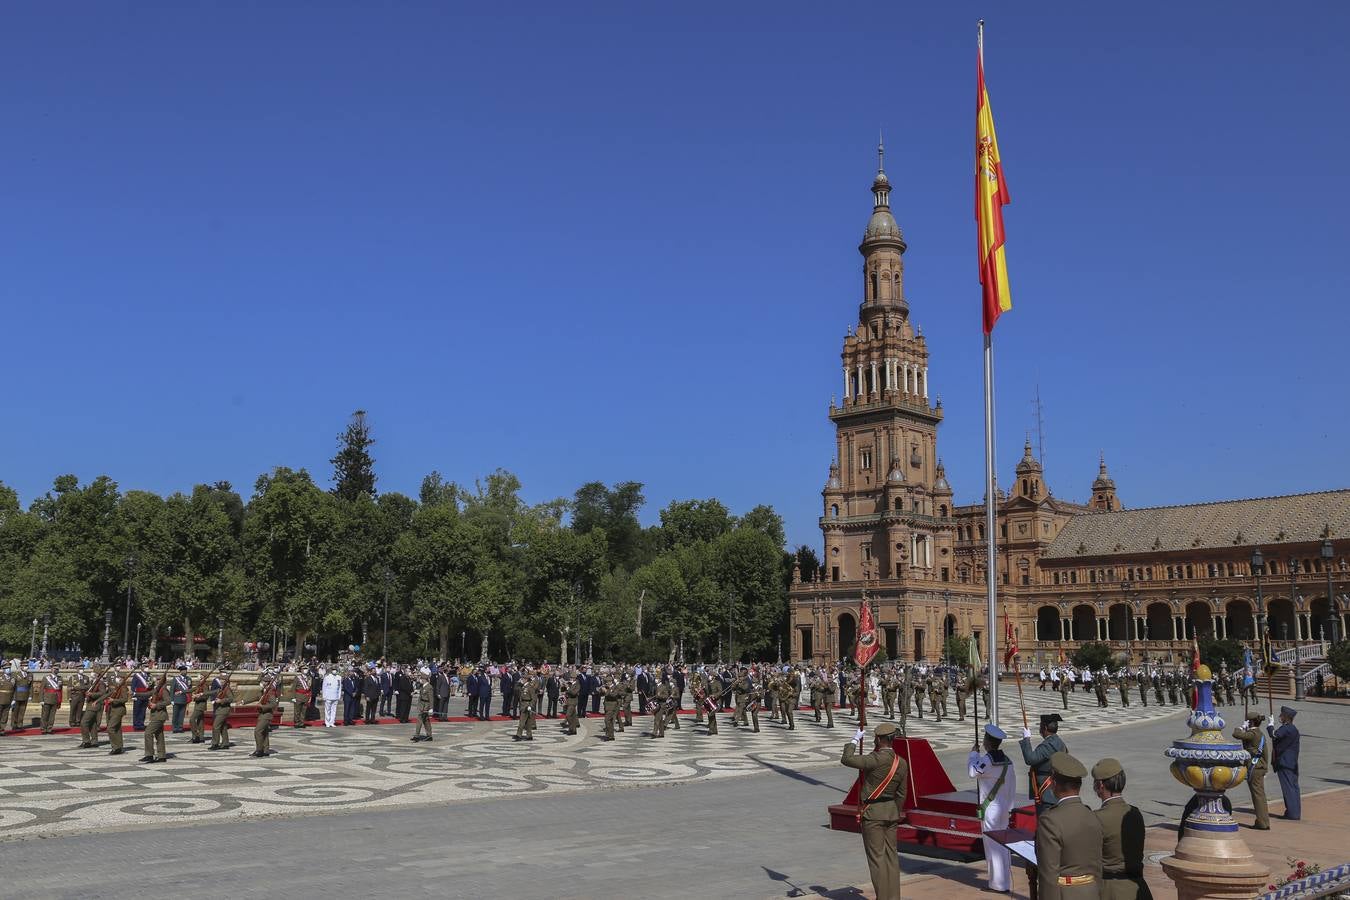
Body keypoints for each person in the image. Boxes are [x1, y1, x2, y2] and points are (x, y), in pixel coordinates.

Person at [841, 722, 907, 900]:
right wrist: (895, 811)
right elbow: (902, 793)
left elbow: (847, 759)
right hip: (891, 813)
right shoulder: (901, 762)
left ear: (878, 739)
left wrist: (855, 739)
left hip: (873, 814)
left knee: (877, 859)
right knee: (891, 857)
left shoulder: (875, 759)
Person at [1035, 752, 1103, 900]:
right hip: (1092, 892)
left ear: (1053, 783)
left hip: (1065, 894)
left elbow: (1048, 875)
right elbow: (1097, 866)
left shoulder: (1050, 820)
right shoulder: (1092, 816)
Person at [1092, 758, 1152, 900]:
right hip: (1138, 887)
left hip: (1110, 890)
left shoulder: (1097, 818)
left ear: (1100, 785)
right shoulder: (1135, 813)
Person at [969, 723, 1017, 893]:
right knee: (1003, 844)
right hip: (1004, 808)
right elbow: (1012, 786)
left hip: (991, 809)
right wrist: (1010, 807)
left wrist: (974, 754)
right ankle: (1002, 880)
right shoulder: (1007, 761)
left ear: (987, 742)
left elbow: (973, 771)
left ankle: (998, 884)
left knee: (993, 845)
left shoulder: (988, 760)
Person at [1020, 713, 1067, 813]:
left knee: (1045, 824)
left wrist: (1026, 739)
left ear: (1044, 728)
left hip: (1047, 793)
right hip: (1053, 790)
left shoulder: (1049, 745)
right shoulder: (1059, 742)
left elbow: (1030, 759)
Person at [1232, 712, 1271, 830]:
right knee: (1260, 796)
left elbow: (1236, 734)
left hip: (1254, 768)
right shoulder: (1260, 733)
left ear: (1251, 722)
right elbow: (1265, 752)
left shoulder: (1253, 734)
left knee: (1258, 796)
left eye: (1248, 722)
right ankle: (1263, 821)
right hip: (1259, 767)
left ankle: (1262, 823)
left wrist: (1240, 727)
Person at [1268, 705, 1301, 820]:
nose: (1280, 717)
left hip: (1285, 762)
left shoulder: (1286, 728)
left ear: (1286, 717)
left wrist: (1270, 726)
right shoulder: (1293, 728)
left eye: (1282, 715)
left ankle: (1292, 813)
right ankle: (1294, 812)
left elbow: (1274, 735)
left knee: (1288, 788)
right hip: (1292, 763)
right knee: (1294, 788)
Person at [39, 664, 63, 733]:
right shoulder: (46, 678)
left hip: (55, 699)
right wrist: (41, 700)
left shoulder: (60, 678)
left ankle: (49, 728)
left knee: (52, 716)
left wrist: (59, 701)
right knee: (45, 715)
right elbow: (41, 689)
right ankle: (43, 728)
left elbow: (60, 691)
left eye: (57, 669)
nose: (56, 670)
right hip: (47, 699)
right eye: (54, 668)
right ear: (51, 669)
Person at [412, 669, 434, 742]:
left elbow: (431, 698)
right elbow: (421, 697)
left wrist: (431, 708)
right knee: (426, 721)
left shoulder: (429, 687)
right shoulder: (423, 686)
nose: (420, 679)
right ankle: (429, 735)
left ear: (424, 679)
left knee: (420, 719)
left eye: (421, 678)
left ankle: (417, 735)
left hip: (426, 705)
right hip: (422, 705)